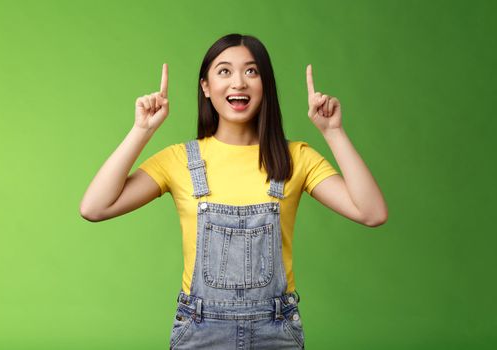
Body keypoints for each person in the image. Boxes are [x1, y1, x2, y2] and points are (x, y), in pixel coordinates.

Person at [80, 33, 388, 349]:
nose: (238, 82)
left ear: (265, 84)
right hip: (200, 332)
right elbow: (94, 207)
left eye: (251, 71)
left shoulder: (296, 158)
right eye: (224, 71)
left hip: (276, 332)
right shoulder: (180, 160)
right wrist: (141, 130)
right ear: (206, 87)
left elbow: (372, 212)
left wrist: (333, 132)